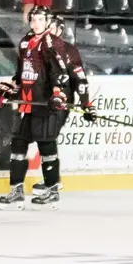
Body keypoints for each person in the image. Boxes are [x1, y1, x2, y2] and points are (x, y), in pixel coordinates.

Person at [0, 5, 71, 210]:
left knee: (46, 146)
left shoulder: (51, 42)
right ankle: (17, 193)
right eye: (33, 19)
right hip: (27, 104)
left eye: (40, 20)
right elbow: (21, 73)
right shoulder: (26, 41)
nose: (36, 23)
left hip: (43, 105)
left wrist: (57, 94)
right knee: (17, 145)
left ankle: (52, 192)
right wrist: (9, 88)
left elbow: (59, 74)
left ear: (47, 22)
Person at [31, 15, 95, 196]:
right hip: (42, 102)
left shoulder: (68, 50)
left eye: (52, 28)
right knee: (44, 140)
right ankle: (52, 180)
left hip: (60, 103)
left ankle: (53, 183)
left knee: (47, 138)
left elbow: (80, 79)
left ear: (59, 30)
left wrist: (86, 103)